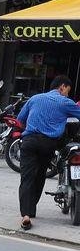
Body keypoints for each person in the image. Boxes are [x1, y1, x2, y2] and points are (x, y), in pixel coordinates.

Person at [16, 75, 80, 230]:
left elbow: (20, 119)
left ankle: (26, 214)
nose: (67, 94)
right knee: (39, 176)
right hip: (48, 144)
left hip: (29, 141)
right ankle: (31, 210)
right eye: (67, 91)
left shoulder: (35, 98)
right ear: (62, 87)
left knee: (27, 178)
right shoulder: (65, 102)